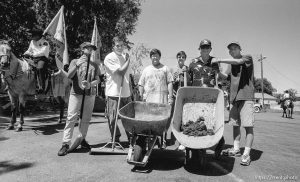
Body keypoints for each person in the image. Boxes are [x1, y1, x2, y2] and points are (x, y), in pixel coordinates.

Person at [212, 41, 254, 166]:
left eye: (235, 48)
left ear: (240, 49)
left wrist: (219, 60)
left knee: (248, 127)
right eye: (230, 49)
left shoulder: (247, 58)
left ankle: (246, 153)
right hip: (234, 97)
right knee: (235, 125)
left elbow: (238, 62)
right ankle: (236, 149)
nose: (232, 51)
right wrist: (217, 71)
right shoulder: (230, 65)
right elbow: (224, 77)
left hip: (246, 96)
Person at [57, 42, 100, 156]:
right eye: (88, 48)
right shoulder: (74, 61)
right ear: (82, 50)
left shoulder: (95, 64)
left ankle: (81, 139)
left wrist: (90, 84)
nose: (90, 51)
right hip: (76, 93)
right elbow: (69, 76)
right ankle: (65, 144)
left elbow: (98, 80)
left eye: (92, 49)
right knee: (71, 118)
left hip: (90, 94)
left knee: (86, 118)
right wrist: (76, 66)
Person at [185, 39, 225, 157]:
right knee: (194, 122)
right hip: (195, 99)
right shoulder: (193, 63)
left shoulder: (215, 63)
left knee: (211, 123)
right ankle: (190, 146)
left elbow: (218, 80)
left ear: (210, 49)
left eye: (207, 47)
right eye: (203, 47)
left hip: (210, 100)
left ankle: (218, 146)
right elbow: (188, 80)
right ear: (200, 49)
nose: (205, 49)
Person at [138, 48, 174, 148]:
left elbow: (170, 82)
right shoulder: (146, 69)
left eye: (156, 55)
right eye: (153, 55)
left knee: (163, 121)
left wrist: (170, 97)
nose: (155, 57)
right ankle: (151, 141)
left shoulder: (165, 68)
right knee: (150, 122)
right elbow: (141, 84)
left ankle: (163, 141)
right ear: (150, 57)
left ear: (159, 57)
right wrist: (141, 97)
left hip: (162, 101)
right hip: (149, 101)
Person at [104, 36, 132, 142]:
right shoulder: (109, 57)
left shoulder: (124, 57)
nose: (120, 48)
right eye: (117, 46)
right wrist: (128, 60)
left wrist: (130, 90)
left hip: (126, 93)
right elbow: (120, 72)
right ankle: (115, 137)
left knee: (128, 118)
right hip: (113, 93)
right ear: (113, 47)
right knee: (112, 118)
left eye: (121, 45)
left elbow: (127, 76)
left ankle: (131, 138)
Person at [24, 28, 50, 93]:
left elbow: (43, 52)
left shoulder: (45, 42)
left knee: (40, 68)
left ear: (37, 36)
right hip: (33, 59)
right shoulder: (32, 42)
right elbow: (29, 50)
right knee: (23, 67)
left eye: (32, 36)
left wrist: (32, 54)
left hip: (42, 59)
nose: (31, 37)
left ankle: (41, 87)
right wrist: (26, 53)